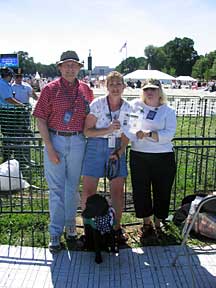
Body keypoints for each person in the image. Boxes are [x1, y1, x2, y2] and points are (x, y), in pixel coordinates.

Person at [33, 50, 94, 253]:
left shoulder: (86, 89)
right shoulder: (50, 89)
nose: (70, 68)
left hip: (78, 140)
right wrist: (49, 147)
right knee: (56, 190)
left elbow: (91, 117)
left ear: (79, 68)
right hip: (55, 140)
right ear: (59, 67)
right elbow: (40, 118)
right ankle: (54, 233)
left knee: (71, 189)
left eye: (73, 65)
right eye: (66, 65)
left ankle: (70, 229)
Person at [81, 71, 131, 243]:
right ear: (106, 87)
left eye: (118, 84)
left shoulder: (128, 108)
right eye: (112, 84)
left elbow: (127, 134)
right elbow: (87, 131)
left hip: (116, 147)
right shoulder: (98, 104)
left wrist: (119, 151)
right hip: (96, 145)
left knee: (117, 192)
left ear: (124, 86)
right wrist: (108, 130)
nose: (115, 87)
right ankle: (89, 229)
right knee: (88, 191)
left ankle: (116, 229)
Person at [126, 79, 176, 241]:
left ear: (160, 91)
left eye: (153, 89)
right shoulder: (135, 106)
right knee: (141, 190)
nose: (150, 92)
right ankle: (146, 223)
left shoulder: (168, 111)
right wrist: (137, 133)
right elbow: (130, 127)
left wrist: (148, 134)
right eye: (147, 89)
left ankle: (158, 222)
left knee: (162, 191)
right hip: (139, 155)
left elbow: (169, 135)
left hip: (163, 157)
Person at [0, 67, 26, 162]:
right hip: (6, 113)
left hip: (10, 113)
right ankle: (8, 158)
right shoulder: (2, 84)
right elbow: (8, 99)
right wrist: (21, 105)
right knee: (10, 136)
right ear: (9, 75)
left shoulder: (5, 84)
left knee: (13, 135)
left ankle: (13, 157)